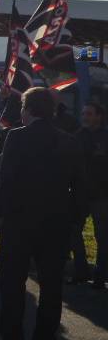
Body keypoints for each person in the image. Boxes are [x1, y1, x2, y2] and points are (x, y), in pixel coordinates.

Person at [0, 87, 83, 340]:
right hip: (56, 221)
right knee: (52, 286)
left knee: (12, 283)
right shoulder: (69, 141)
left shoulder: (16, 137)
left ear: (27, 109)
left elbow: (6, 179)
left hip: (19, 220)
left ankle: (11, 339)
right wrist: (75, 218)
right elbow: (79, 185)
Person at [72, 102, 108, 289]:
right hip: (80, 194)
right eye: (84, 113)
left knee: (102, 237)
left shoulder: (105, 137)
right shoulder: (77, 136)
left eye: (89, 113)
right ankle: (81, 271)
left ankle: (100, 276)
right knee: (73, 231)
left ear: (99, 117)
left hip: (101, 195)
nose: (85, 116)